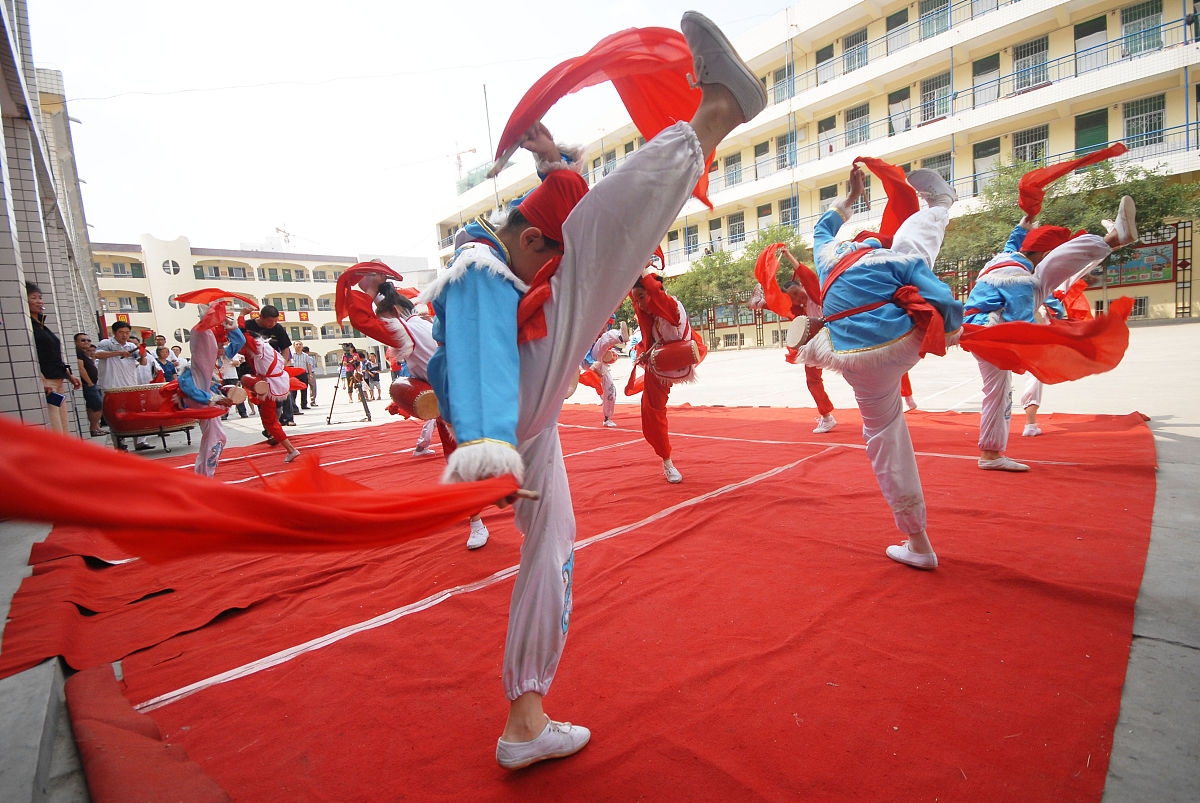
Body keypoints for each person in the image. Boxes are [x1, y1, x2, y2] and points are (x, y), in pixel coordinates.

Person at [421, 10, 765, 768]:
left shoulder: (505, 252)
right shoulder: (479, 263)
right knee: (605, 239)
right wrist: (488, 454)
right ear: (533, 240)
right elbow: (480, 349)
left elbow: (560, 210)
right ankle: (718, 110)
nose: (555, 253)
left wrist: (551, 161)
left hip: (520, 415)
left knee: (554, 542)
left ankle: (525, 718)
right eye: (552, 239)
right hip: (508, 412)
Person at [798, 162, 963, 570]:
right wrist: (954, 330)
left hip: (852, 358)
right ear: (872, 245)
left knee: (885, 438)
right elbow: (940, 298)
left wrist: (851, 199)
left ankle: (918, 541)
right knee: (916, 246)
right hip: (899, 344)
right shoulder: (894, 257)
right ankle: (940, 208)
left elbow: (821, 230)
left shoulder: (826, 259)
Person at [964, 197, 1136, 471]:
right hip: (991, 334)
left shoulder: (1005, 258)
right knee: (997, 394)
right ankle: (990, 455)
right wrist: (1038, 347)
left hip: (982, 331)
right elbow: (1019, 321)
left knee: (996, 393)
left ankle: (1110, 240)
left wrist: (1025, 224)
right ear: (1040, 254)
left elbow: (1015, 243)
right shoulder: (1019, 277)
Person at [748, 245, 839, 433]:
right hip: (817, 343)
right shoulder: (796, 309)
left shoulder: (814, 291)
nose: (799, 298)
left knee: (858, 370)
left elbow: (805, 274)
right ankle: (827, 417)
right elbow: (782, 305)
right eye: (794, 298)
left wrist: (788, 255)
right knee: (812, 380)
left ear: (801, 287)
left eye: (798, 293)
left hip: (837, 336)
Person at [629, 269, 705, 483]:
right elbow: (635, 295)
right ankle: (666, 460)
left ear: (656, 292)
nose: (640, 304)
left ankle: (666, 460)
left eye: (642, 298)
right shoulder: (647, 314)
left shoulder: (672, 307)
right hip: (658, 367)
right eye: (637, 300)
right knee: (651, 414)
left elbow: (653, 289)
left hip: (679, 359)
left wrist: (642, 267)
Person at [179, 309, 243, 476]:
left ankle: (203, 473)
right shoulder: (198, 364)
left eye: (223, 345)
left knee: (214, 437)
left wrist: (234, 328)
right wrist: (212, 399)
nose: (222, 349)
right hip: (201, 401)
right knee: (216, 437)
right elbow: (186, 385)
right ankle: (206, 475)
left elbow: (238, 343)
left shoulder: (218, 359)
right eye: (219, 345)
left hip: (210, 402)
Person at [238, 322, 301, 463]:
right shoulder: (267, 348)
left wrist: (241, 315)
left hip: (268, 387)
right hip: (274, 384)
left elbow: (243, 336)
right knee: (271, 418)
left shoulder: (257, 348)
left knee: (270, 421)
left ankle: (290, 449)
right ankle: (279, 439)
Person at [27, 283, 81, 435]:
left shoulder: (42, 325)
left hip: (58, 381)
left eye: (40, 298)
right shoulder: (29, 326)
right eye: (33, 298)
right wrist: (42, 379)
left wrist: (69, 375)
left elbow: (53, 354)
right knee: (55, 427)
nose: (39, 301)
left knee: (64, 426)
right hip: (48, 383)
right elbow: (34, 356)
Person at [93, 321, 153, 450]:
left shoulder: (131, 345)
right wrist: (119, 353)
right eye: (121, 332)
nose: (124, 335)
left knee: (135, 413)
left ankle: (140, 441)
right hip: (111, 386)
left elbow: (142, 363)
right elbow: (97, 355)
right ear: (114, 333)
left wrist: (142, 354)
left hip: (130, 385)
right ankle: (120, 444)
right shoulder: (106, 343)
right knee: (115, 417)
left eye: (127, 332)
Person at [581, 322, 627, 427]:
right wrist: (592, 363)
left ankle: (607, 418)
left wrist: (612, 356)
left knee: (611, 390)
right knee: (606, 338)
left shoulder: (604, 330)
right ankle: (620, 336)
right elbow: (584, 350)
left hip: (600, 362)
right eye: (604, 326)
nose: (605, 328)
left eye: (606, 326)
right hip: (589, 360)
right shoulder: (589, 332)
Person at [74, 333, 105, 436]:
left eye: (88, 340)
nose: (86, 342)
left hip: (93, 384)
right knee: (98, 405)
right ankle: (93, 428)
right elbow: (81, 368)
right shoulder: (78, 353)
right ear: (76, 342)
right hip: (89, 385)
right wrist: (90, 383)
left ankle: (96, 427)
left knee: (93, 406)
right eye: (83, 340)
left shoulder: (85, 354)